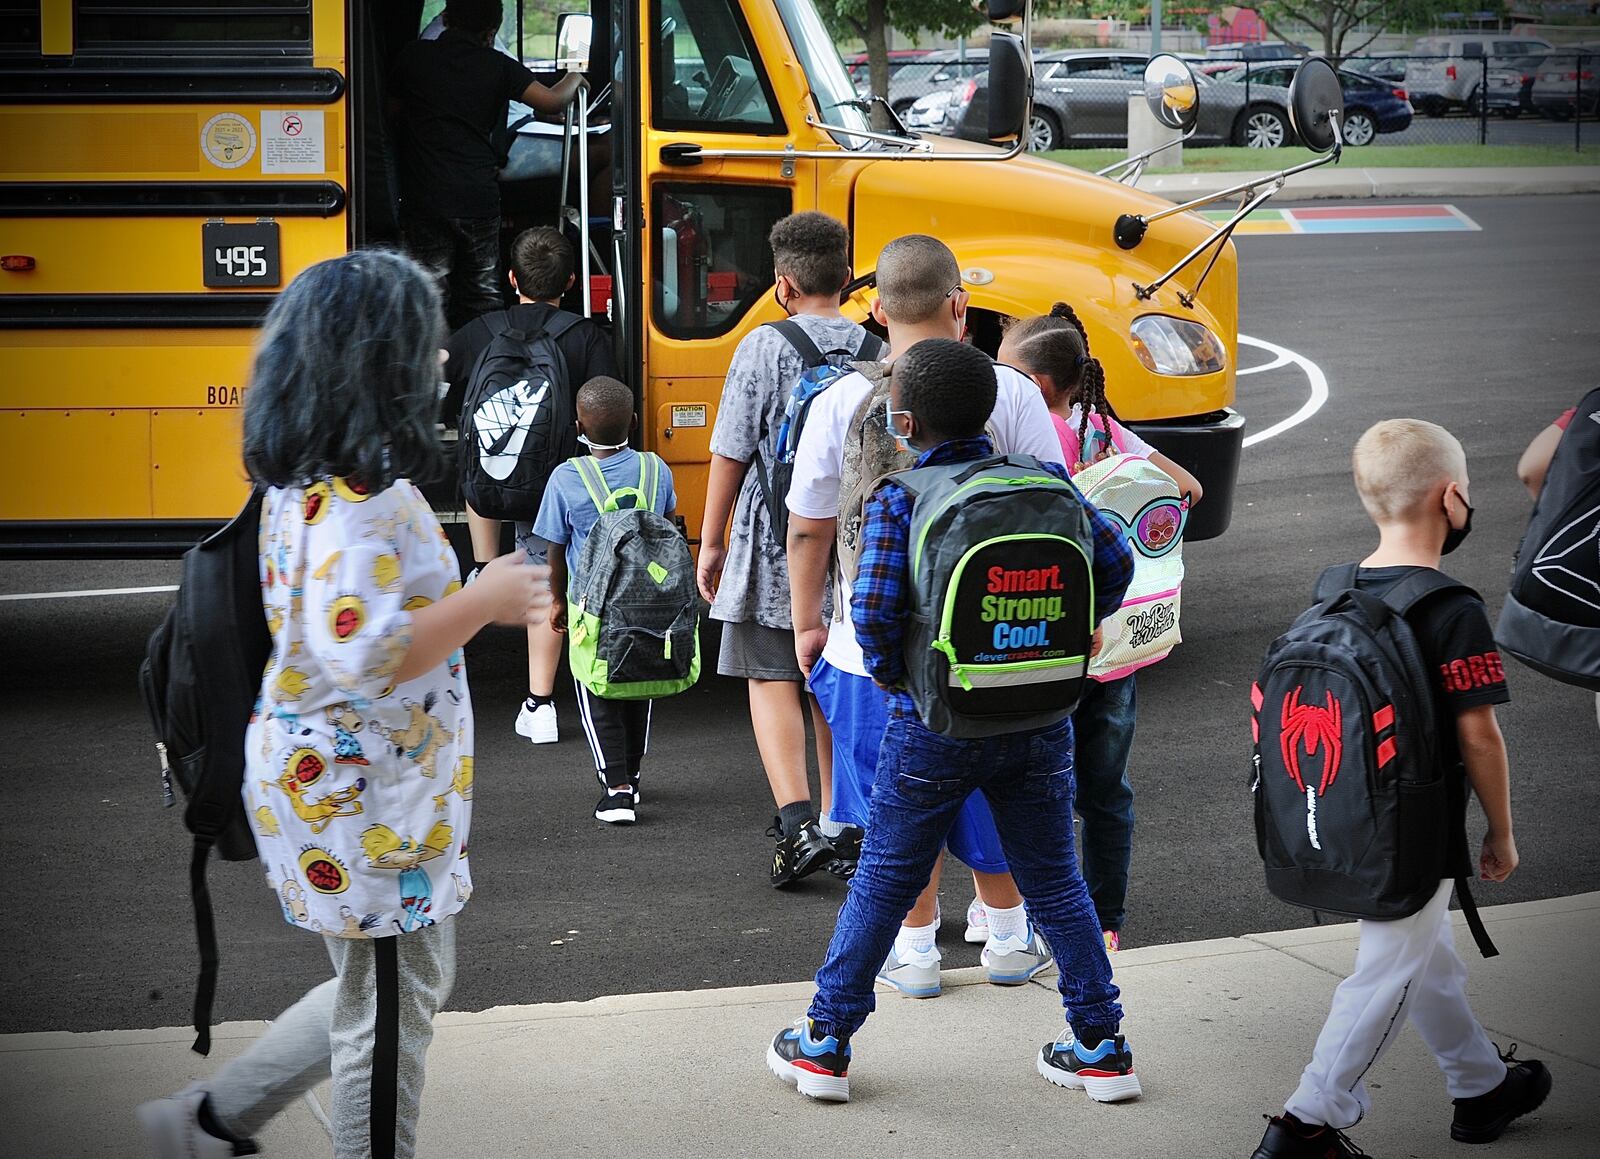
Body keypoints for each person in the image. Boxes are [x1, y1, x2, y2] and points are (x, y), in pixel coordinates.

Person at [136, 251, 552, 1159]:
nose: (444, 358)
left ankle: (208, 1120)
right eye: (426, 344)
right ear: (379, 364)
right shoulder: (361, 506)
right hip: (365, 806)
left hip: (356, 791)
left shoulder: (309, 480)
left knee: (396, 985)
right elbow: (363, 654)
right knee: (391, 1016)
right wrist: (484, 599)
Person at [767, 338, 1142, 1105]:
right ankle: (1102, 1046)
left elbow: (870, 612)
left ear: (903, 421)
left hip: (933, 723)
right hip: (1041, 716)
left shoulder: (903, 497)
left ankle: (825, 1041)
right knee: (1056, 880)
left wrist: (900, 673)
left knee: (883, 879)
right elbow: (1117, 562)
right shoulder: (1048, 483)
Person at [1251, 419, 1551, 1159]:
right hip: (1415, 827)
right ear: (1452, 498)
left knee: (1423, 953)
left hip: (1350, 821)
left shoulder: (1332, 593)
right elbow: (1478, 735)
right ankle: (1306, 1121)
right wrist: (1501, 831)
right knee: (1386, 971)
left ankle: (1480, 1086)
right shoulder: (1451, 609)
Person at [785, 234, 1070, 997]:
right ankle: (1006, 935)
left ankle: (912, 949)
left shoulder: (838, 399)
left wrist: (809, 622)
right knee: (992, 785)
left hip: (867, 643)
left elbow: (809, 524)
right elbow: (1054, 496)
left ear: (875, 310)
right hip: (988, 645)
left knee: (892, 803)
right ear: (959, 305)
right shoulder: (1009, 390)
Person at [998, 303, 1204, 951]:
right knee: (1106, 791)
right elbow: (1188, 489)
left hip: (1054, 641)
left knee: (1039, 787)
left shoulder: (1036, 435)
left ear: (1036, 385)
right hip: (1117, 645)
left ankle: (1040, 918)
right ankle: (1105, 920)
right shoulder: (1108, 430)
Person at [697, 211, 869, 887]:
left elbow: (730, 451)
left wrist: (710, 545)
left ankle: (796, 825)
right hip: (846, 551)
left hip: (768, 543)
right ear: (848, 278)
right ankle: (840, 819)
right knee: (830, 676)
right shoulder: (873, 348)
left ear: (782, 286)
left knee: (772, 677)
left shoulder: (762, 347)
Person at [443, 226, 619, 746]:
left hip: (489, 490)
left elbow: (436, 383)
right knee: (547, 583)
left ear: (512, 278)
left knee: (483, 449)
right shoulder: (586, 336)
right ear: (569, 281)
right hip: (551, 488)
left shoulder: (479, 330)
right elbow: (605, 411)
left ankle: (482, 567)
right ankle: (539, 705)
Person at [534, 376, 678, 825]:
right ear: (634, 422)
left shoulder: (566, 478)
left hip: (590, 605)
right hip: (651, 602)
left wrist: (556, 599)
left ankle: (615, 788)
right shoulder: (657, 469)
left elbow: (555, 548)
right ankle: (631, 776)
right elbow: (668, 529)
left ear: (578, 425)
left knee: (596, 688)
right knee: (640, 686)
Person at [390, 0, 584, 329]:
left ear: (447, 19)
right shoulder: (496, 65)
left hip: (424, 195)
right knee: (482, 292)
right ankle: (484, 365)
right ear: (491, 32)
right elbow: (551, 100)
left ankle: (434, 367)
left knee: (430, 293)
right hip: (476, 195)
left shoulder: (413, 57)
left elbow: (393, 117)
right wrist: (576, 76)